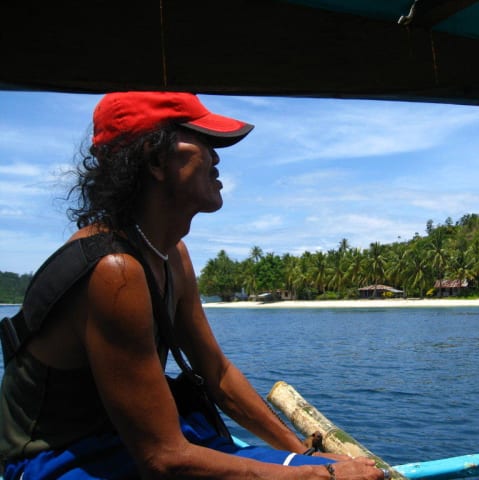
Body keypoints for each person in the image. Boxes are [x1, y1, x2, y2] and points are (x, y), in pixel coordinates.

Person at [0, 92, 385, 480]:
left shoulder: (172, 255)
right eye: (204, 141)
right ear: (154, 160)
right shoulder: (113, 270)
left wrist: (302, 454)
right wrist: (325, 475)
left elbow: (217, 374)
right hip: (62, 458)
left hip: (132, 441)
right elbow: (162, 458)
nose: (216, 158)